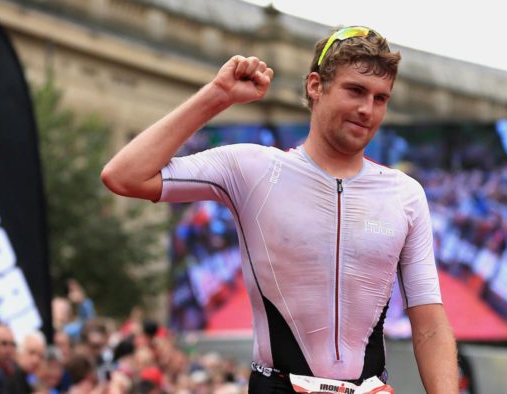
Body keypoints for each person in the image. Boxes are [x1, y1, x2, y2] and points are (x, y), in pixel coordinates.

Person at [102, 25, 458, 393]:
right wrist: (217, 95)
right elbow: (124, 175)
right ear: (315, 86)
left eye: (381, 98)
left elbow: (430, 323)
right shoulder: (251, 169)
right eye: (355, 91)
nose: (367, 109)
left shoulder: (405, 194)